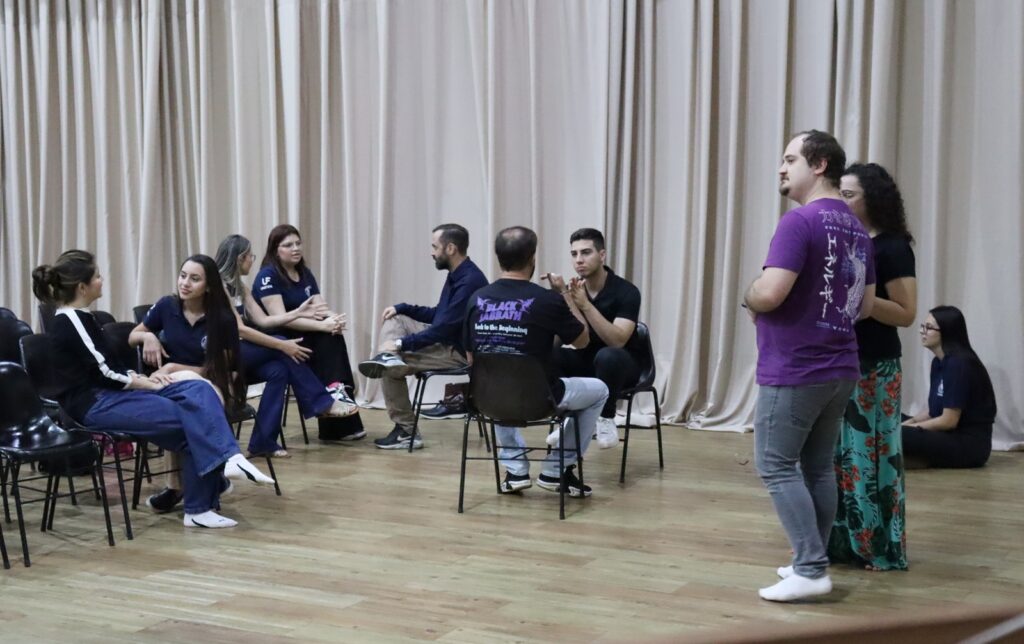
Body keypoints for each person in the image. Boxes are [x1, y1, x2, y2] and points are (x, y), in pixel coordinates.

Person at [32, 250, 275, 529]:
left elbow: (108, 368)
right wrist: (143, 381)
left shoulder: (83, 317)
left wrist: (137, 377)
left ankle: (229, 461)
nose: (102, 280)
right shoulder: (70, 320)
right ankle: (200, 505)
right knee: (191, 420)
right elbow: (105, 373)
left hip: (114, 392)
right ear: (82, 287)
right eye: (97, 276)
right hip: (93, 403)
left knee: (200, 389)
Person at [744, 130, 876, 602]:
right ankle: (810, 559)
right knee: (817, 469)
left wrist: (750, 294)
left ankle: (811, 568)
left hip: (797, 367)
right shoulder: (857, 228)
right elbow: (865, 307)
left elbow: (769, 292)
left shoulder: (799, 222)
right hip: (841, 365)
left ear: (819, 165)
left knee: (776, 465)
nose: (781, 168)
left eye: (790, 159)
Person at [465, 226, 608, 497]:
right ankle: (556, 469)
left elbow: (471, 358)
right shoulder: (546, 300)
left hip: (487, 400)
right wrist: (564, 294)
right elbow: (582, 341)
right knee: (599, 391)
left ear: (498, 258)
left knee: (497, 383)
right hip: (542, 400)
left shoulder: (476, 299)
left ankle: (516, 470)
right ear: (532, 258)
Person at [828, 163, 916, 572]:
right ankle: (841, 543)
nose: (841, 202)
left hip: (876, 366)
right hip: (839, 360)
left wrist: (860, 296)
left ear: (872, 199)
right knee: (840, 456)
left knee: (871, 457)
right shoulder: (845, 241)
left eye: (848, 195)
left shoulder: (893, 247)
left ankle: (877, 547)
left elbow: (906, 313)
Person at [358, 224, 488, 449]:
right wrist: (402, 307)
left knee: (389, 368)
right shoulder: (458, 274)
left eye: (435, 247)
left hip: (458, 351)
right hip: (446, 340)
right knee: (397, 318)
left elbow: (442, 329)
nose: (432, 252)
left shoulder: (469, 281)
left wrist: (401, 343)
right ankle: (388, 357)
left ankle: (406, 431)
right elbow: (439, 315)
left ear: (450, 248)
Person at [252, 224, 366, 441]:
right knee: (326, 338)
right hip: (281, 337)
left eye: (298, 243)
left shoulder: (304, 273)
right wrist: (323, 326)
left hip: (306, 333)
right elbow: (282, 319)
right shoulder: (267, 276)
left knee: (332, 336)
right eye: (288, 245)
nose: (296, 248)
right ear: (276, 250)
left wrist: (334, 319)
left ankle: (338, 399)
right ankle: (336, 415)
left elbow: (320, 307)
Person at [542, 228, 643, 448]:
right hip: (587, 360)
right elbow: (580, 338)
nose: (579, 260)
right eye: (574, 254)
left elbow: (617, 341)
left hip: (623, 366)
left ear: (602, 255)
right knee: (551, 355)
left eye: (586, 252)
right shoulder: (574, 289)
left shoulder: (627, 291)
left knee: (608, 356)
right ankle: (569, 420)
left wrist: (586, 305)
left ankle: (606, 418)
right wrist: (563, 296)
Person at [902, 306, 996, 468]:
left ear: (947, 331)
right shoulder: (938, 362)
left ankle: (916, 460)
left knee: (894, 434)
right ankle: (915, 459)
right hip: (947, 434)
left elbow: (948, 421)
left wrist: (906, 429)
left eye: (929, 328)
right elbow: (933, 411)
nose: (922, 332)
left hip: (968, 444)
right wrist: (908, 422)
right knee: (887, 420)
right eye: (923, 326)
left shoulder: (958, 364)